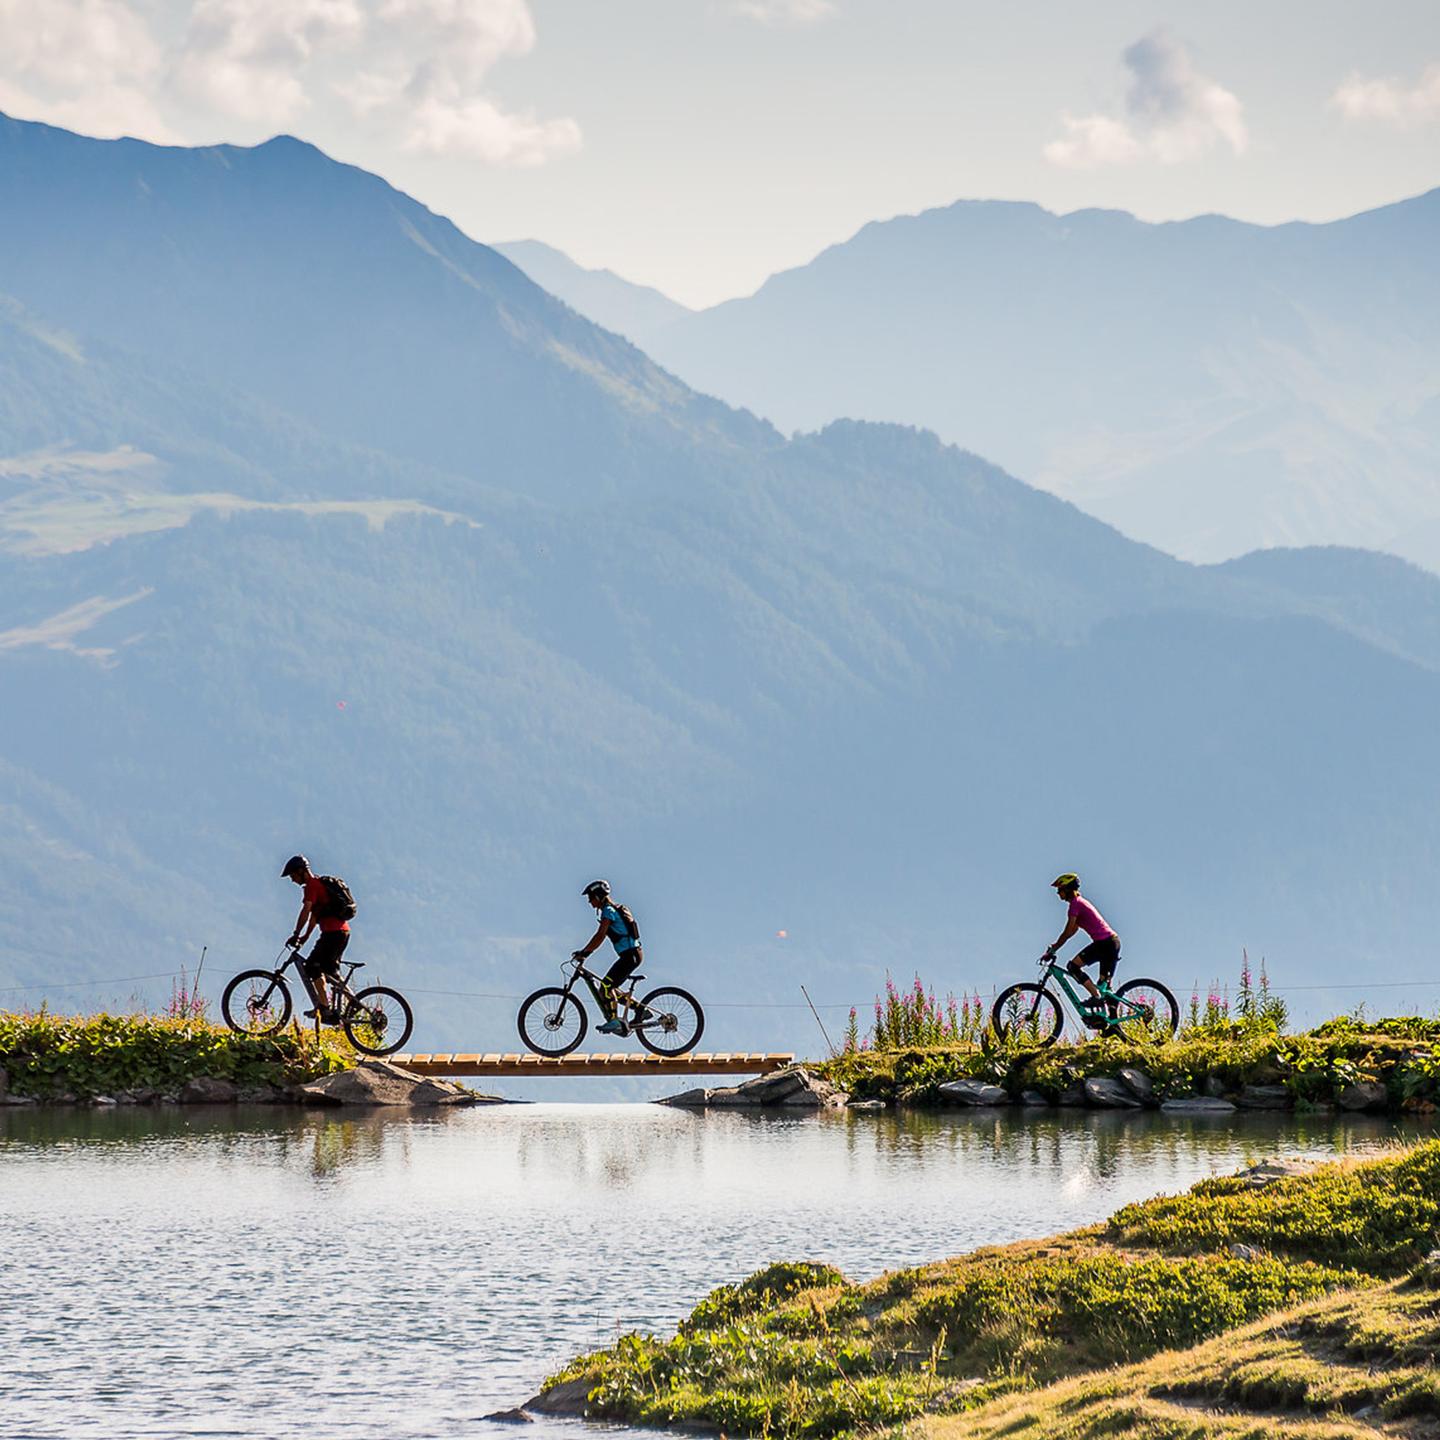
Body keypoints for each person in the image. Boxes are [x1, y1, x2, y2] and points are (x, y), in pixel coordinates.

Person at [281, 854, 351, 1023]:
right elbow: (314, 918)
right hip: (338, 933)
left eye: (293, 876)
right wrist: (304, 938)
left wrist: (296, 933)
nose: (292, 880)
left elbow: (306, 912)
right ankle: (347, 1003)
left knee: (312, 967)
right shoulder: (318, 884)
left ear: (301, 872)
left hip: (333, 934)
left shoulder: (312, 886)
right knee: (328, 971)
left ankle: (325, 1007)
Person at [1044, 873, 1120, 1025]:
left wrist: (1054, 949)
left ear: (1068, 889)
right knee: (1105, 988)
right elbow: (1073, 931)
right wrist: (1055, 946)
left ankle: (1096, 996)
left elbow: (1067, 931)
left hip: (1104, 943)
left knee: (1073, 967)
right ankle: (1113, 1024)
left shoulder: (1075, 904)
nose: (1058, 893)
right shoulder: (1080, 903)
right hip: (1111, 943)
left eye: (1060, 890)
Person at [573, 880, 642, 1036]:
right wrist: (586, 952)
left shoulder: (608, 911)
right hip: (632, 955)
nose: (590, 902)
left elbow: (600, 936)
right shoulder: (611, 910)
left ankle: (613, 1021)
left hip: (629, 956)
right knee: (610, 988)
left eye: (591, 898)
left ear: (598, 896)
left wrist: (585, 952)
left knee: (605, 987)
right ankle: (640, 1010)